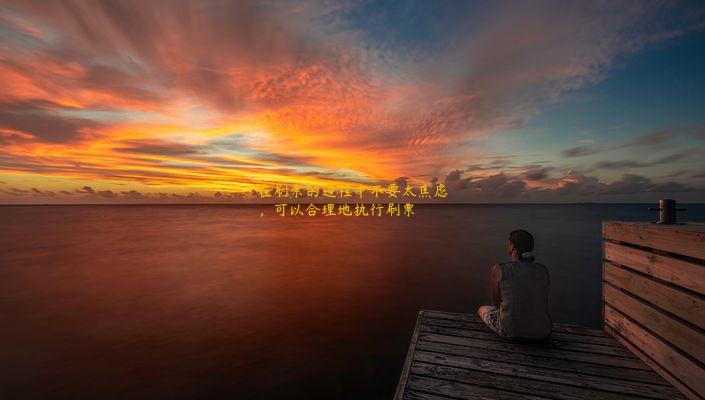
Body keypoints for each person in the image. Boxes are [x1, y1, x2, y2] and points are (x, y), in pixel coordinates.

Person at [477, 229, 552, 341]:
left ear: (512, 246)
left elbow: (497, 303)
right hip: (543, 331)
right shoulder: (543, 270)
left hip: (511, 330)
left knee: (482, 309)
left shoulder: (500, 269)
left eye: (509, 242)